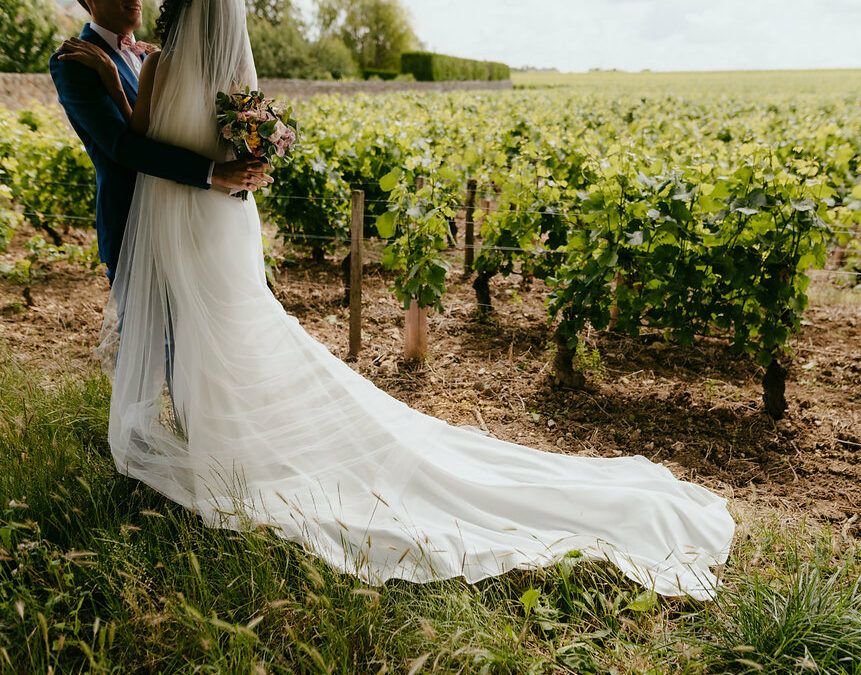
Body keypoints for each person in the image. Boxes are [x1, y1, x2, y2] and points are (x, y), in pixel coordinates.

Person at [75, 0, 735, 600]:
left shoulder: (156, 66)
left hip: (184, 222)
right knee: (237, 327)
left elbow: (132, 146)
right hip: (223, 219)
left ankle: (223, 450)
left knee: (201, 334)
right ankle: (236, 444)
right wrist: (247, 166)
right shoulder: (235, 79)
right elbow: (256, 144)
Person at [50, 0, 274, 286]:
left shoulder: (159, 58)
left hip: (204, 226)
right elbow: (123, 147)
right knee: (150, 331)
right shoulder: (74, 61)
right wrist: (214, 171)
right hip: (134, 225)